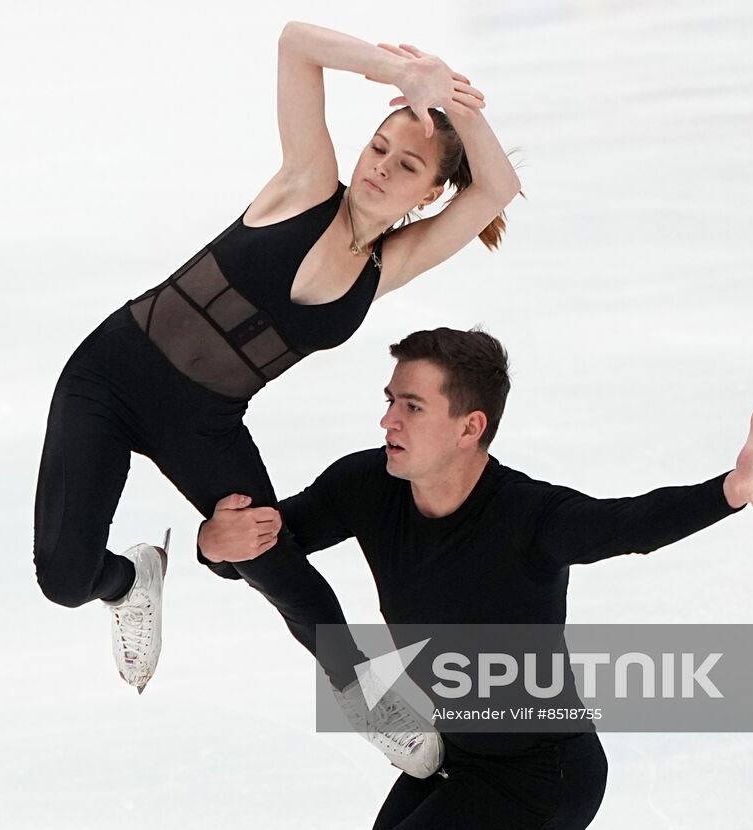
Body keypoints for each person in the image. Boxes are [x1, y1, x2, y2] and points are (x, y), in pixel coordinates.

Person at [31, 16, 522, 746]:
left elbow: (497, 187)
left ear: (427, 195)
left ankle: (373, 706)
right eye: (379, 146)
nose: (381, 166)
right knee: (66, 580)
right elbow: (296, 41)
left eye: (408, 167)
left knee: (275, 558)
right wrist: (402, 77)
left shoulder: (387, 267)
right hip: (108, 377)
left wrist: (456, 101)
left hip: (203, 423)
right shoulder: (304, 183)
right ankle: (131, 581)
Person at [197, 327, 753, 829]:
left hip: (541, 775)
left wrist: (727, 492)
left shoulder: (529, 516)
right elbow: (271, 545)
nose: (388, 421)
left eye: (412, 407)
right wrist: (212, 546)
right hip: (448, 755)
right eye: (389, 401)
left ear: (471, 427)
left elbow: (630, 525)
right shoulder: (367, 485)